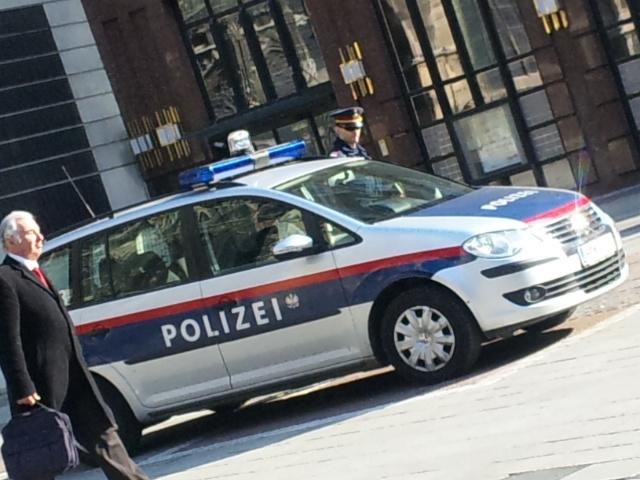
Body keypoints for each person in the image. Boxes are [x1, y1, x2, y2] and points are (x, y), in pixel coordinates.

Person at [0, 211, 148, 480]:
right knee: (40, 454)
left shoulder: (36, 272)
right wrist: (22, 386)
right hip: (41, 385)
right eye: (32, 233)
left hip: (73, 376)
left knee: (105, 437)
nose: (41, 238)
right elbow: (8, 340)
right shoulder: (6, 278)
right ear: (11, 241)